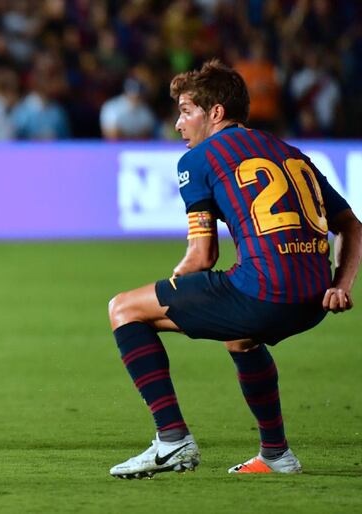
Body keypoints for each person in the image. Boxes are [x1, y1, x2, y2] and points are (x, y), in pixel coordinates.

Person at [107, 60, 361, 478]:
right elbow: (351, 224)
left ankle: (171, 441)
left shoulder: (198, 160)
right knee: (240, 337)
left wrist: (173, 287)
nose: (178, 124)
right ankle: (276, 455)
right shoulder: (292, 153)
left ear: (216, 113)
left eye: (187, 111)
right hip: (315, 302)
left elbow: (201, 256)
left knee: (125, 309)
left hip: (263, 296)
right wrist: (340, 283)